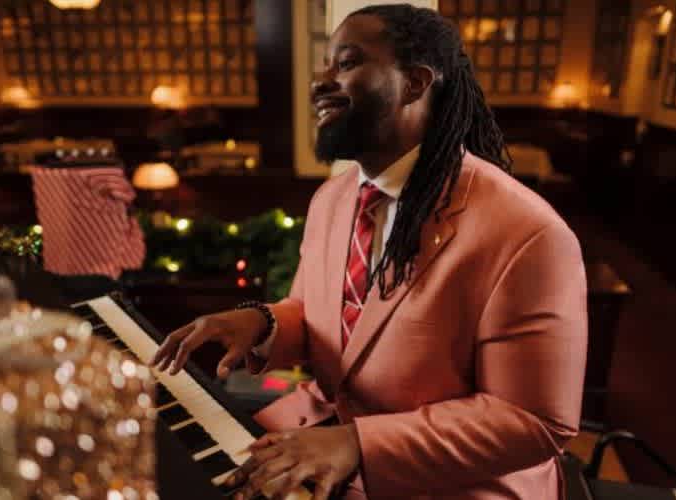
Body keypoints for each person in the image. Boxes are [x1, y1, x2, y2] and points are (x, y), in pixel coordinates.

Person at [151, 5, 587, 499]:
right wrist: (264, 324)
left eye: (348, 62)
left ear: (416, 83)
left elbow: (533, 420)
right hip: (327, 441)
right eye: (324, 63)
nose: (320, 81)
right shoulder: (333, 199)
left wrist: (359, 444)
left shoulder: (529, 233)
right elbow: (325, 322)